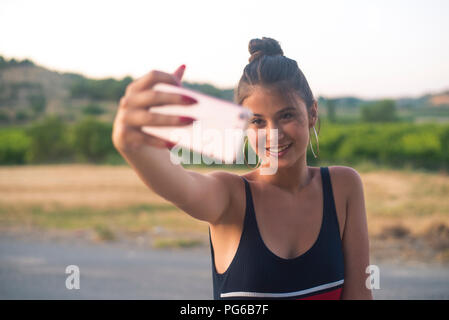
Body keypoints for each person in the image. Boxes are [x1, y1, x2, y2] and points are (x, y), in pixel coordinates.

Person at [112, 37, 373, 300]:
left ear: (312, 113)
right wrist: (133, 145)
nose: (273, 134)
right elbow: (180, 186)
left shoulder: (343, 186)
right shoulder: (230, 196)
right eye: (258, 121)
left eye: (287, 115)